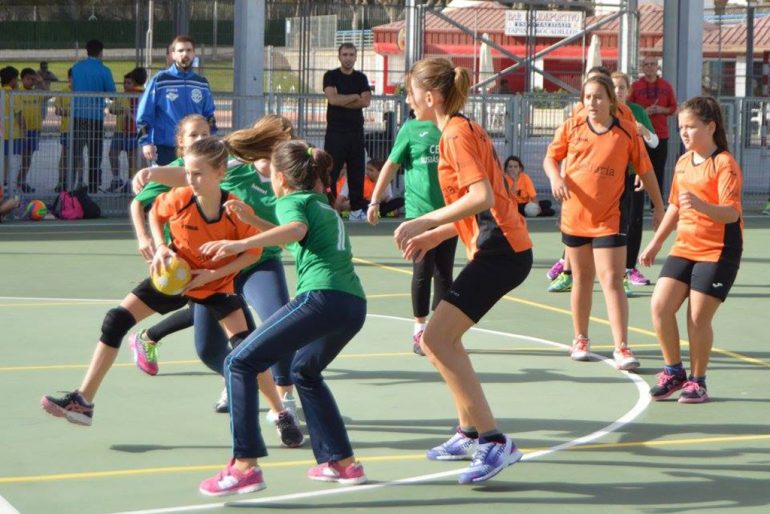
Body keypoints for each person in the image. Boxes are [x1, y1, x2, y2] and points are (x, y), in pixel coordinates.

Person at [40, 136, 267, 427]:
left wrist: (216, 272)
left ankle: (281, 407)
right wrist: (155, 243)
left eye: (202, 133)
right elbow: (146, 208)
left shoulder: (228, 195)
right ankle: (83, 401)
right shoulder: (179, 181)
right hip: (177, 272)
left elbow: (252, 250)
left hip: (213, 280)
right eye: (191, 135)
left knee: (242, 346)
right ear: (181, 142)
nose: (198, 138)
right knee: (116, 320)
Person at [198, 140, 368, 496]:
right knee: (304, 371)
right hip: (352, 305)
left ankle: (245, 466)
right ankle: (343, 462)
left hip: (321, 297)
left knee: (239, 362)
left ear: (279, 178)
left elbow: (294, 232)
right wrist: (254, 222)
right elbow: (293, 242)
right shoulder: (320, 204)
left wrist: (238, 244)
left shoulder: (291, 201)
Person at [393, 58, 532, 484]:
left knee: (435, 337)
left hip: (502, 250)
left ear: (430, 97)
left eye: (411, 93)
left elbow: (482, 196)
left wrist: (426, 221)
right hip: (497, 246)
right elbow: (480, 202)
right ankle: (468, 431)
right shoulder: (460, 128)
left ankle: (494, 441)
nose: (408, 101)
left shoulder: (453, 134)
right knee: (443, 339)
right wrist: (436, 236)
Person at [129, 116, 303, 442]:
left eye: (288, 141)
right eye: (280, 140)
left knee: (278, 322)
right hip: (212, 266)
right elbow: (183, 174)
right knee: (208, 348)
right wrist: (150, 172)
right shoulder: (231, 165)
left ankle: (285, 400)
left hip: (256, 262)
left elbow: (289, 228)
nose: (284, 146)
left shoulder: (289, 178)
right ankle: (236, 375)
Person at [543, 74, 665, 370]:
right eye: (587, 97)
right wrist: (555, 177)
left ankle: (621, 346)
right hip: (575, 215)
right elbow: (550, 157)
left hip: (610, 217)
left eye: (598, 97)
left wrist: (659, 207)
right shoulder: (572, 127)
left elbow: (646, 170)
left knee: (612, 280)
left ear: (611, 100)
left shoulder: (625, 132)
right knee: (582, 280)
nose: (592, 103)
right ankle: (580, 338)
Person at [639, 96, 743, 404]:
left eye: (691, 127)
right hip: (686, 245)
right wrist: (656, 241)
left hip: (718, 249)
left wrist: (701, 205)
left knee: (697, 317)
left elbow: (732, 213)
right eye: (681, 127)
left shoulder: (723, 163)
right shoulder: (684, 162)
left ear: (710, 127)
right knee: (660, 306)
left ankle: (698, 381)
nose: (684, 133)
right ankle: (674, 373)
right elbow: (674, 205)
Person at [367, 80, 457, 355]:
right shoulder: (409, 130)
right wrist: (374, 200)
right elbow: (390, 166)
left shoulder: (450, 128)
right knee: (422, 272)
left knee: (444, 274)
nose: (408, 101)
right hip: (419, 215)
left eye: (410, 94)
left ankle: (441, 331)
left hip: (448, 214)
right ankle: (419, 330)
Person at [612, 71, 660, 290]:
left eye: (622, 87)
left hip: (634, 174)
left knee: (634, 220)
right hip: (610, 176)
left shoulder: (638, 112)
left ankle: (629, 268)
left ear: (628, 90)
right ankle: (571, 264)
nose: (618, 91)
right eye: (613, 87)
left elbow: (655, 143)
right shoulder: (605, 112)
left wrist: (645, 133)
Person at [137, 35, 216, 166]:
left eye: (189, 50)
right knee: (167, 185)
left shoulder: (201, 83)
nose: (185, 54)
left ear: (194, 53)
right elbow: (145, 113)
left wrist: (211, 139)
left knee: (192, 185)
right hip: (166, 148)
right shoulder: (160, 80)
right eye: (180, 50)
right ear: (173, 55)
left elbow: (209, 115)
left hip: (195, 147)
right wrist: (146, 142)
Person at [323, 43, 371, 222]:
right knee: (331, 173)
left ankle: (356, 210)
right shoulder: (331, 76)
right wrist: (353, 96)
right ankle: (330, 210)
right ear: (339, 56)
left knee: (357, 172)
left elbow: (365, 102)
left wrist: (344, 98)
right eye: (345, 54)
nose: (348, 58)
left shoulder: (361, 78)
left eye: (351, 54)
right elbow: (333, 99)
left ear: (356, 57)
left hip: (356, 133)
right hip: (335, 133)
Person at [71, 39, 116, 193]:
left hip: (78, 115)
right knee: (95, 152)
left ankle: (72, 184)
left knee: (76, 151)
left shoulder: (76, 68)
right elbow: (112, 94)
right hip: (95, 116)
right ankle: (93, 185)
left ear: (86, 51)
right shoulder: (104, 70)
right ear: (100, 53)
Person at [629, 56, 677, 199]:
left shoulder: (666, 86)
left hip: (661, 135)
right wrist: (645, 112)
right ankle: (636, 203)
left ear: (657, 67)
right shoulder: (635, 87)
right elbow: (628, 108)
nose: (650, 66)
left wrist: (660, 110)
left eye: (653, 64)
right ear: (642, 67)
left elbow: (673, 108)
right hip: (640, 136)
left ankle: (655, 204)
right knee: (639, 170)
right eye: (646, 64)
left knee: (658, 171)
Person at [107, 67, 147, 193]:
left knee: (132, 158)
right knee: (112, 154)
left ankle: (131, 182)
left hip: (133, 132)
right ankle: (116, 179)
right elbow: (112, 109)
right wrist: (121, 111)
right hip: (119, 131)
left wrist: (129, 114)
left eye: (129, 83)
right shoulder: (123, 96)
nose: (126, 85)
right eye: (124, 83)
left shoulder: (141, 95)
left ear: (134, 82)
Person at [336, 160, 404, 217]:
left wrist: (393, 206)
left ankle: (379, 212)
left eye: (371, 170)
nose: (367, 172)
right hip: (363, 203)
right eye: (367, 169)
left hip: (378, 204)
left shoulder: (385, 182)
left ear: (379, 172)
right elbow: (343, 197)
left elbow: (388, 198)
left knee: (400, 201)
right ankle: (374, 212)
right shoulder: (360, 180)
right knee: (360, 202)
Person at [17, 68, 43, 193]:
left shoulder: (36, 92)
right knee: (20, 158)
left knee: (27, 158)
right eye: (28, 79)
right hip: (21, 130)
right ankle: (15, 183)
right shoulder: (17, 93)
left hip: (34, 130)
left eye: (33, 79)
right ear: (22, 79)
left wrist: (41, 82)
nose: (31, 82)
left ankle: (21, 182)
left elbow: (49, 94)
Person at [53, 68, 75, 192]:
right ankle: (61, 181)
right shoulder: (63, 91)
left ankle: (78, 181)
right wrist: (70, 112)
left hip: (78, 129)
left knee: (77, 156)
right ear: (68, 79)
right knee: (65, 155)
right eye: (72, 78)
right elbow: (57, 110)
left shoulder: (81, 91)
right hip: (66, 129)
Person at [1, 66, 22, 192]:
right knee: (13, 162)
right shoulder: (13, 94)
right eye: (17, 79)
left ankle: (2, 184)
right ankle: (10, 188)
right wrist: (24, 128)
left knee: (2, 160)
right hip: (13, 134)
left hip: (1, 133)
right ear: (12, 80)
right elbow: (18, 114)